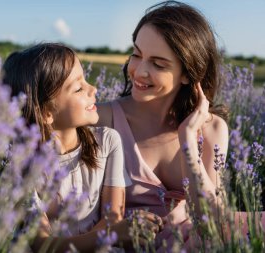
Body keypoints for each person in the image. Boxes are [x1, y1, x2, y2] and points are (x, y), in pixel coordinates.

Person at [96, 0, 265, 250]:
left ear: (187, 74)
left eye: (158, 64)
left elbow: (212, 220)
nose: (139, 71)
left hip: (195, 241)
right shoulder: (103, 118)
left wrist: (188, 139)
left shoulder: (211, 128)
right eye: (136, 54)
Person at [2, 43, 162, 252]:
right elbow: (41, 243)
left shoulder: (107, 142)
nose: (93, 89)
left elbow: (112, 217)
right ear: (46, 113)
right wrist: (106, 236)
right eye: (78, 88)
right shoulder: (21, 163)